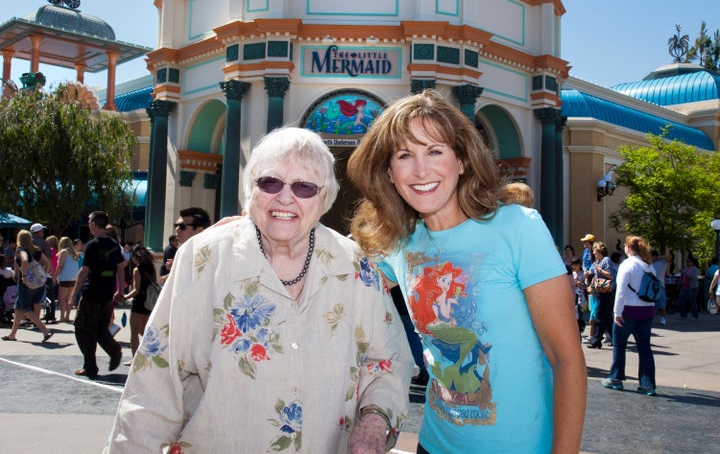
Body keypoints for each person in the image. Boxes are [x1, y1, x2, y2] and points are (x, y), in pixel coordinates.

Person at [103, 127, 413, 454]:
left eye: (305, 187)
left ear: (324, 199)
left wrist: (374, 424)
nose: (285, 197)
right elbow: (155, 379)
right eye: (270, 182)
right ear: (251, 190)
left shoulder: (356, 268)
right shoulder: (204, 258)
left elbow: (388, 362)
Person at [346, 90, 586, 454]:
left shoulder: (519, 228)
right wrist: (252, 231)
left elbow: (566, 359)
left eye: (435, 151)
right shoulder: (399, 242)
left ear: (461, 160)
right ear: (389, 174)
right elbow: (326, 264)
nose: (421, 169)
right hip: (433, 445)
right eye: (404, 155)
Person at [70, 211, 126, 379]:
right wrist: (121, 291)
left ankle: (91, 366)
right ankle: (113, 350)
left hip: (92, 292)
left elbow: (84, 270)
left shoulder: (93, 245)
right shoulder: (114, 244)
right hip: (107, 293)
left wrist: (74, 294)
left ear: (94, 224)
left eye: (89, 221)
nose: (88, 224)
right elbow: (121, 268)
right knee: (100, 328)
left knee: (82, 328)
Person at [601, 235, 658, 396]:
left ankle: (616, 378)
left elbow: (620, 291)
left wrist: (616, 312)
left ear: (628, 247)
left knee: (619, 344)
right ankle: (648, 384)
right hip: (647, 311)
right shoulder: (648, 265)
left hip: (628, 310)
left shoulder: (628, 265)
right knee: (645, 347)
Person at [2, 229, 53, 342]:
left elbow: (24, 260)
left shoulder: (20, 250)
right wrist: (43, 274)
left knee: (25, 309)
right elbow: (48, 263)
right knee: (18, 308)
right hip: (37, 283)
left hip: (25, 283)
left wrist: (24, 276)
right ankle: (12, 334)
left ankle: (45, 330)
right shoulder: (36, 250)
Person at [122, 244, 157, 361]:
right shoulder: (151, 268)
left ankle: (135, 359)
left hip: (139, 304)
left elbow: (136, 290)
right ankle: (151, 353)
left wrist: (125, 297)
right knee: (144, 330)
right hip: (149, 303)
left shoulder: (137, 270)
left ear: (135, 256)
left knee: (134, 333)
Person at [163, 207, 211, 274]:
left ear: (199, 230)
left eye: (182, 226)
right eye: (176, 225)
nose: (177, 229)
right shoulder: (184, 251)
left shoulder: (209, 254)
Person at [54, 236, 81, 323]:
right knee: (69, 298)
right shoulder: (74, 253)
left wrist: (55, 276)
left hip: (65, 277)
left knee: (62, 298)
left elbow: (60, 266)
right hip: (74, 277)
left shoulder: (63, 252)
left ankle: (62, 316)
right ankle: (67, 316)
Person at [677, 256, 699, 320]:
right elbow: (682, 277)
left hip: (692, 287)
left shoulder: (695, 269)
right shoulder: (685, 268)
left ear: (692, 263)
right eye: (687, 262)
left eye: (688, 262)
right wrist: (679, 284)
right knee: (681, 299)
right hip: (684, 287)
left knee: (692, 301)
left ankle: (694, 316)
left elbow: (692, 277)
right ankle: (683, 315)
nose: (687, 263)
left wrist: (684, 272)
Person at [651, 249, 668, 325]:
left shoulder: (662, 262)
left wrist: (659, 257)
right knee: (651, 302)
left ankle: (663, 318)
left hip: (660, 284)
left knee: (662, 302)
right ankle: (650, 317)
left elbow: (669, 257)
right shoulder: (649, 263)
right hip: (651, 285)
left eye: (651, 256)